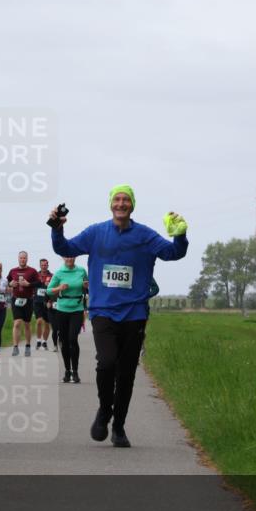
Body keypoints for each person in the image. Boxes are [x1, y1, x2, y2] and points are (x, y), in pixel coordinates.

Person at [50, 185, 188, 448]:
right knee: (106, 363)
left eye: (126, 200)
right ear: (110, 204)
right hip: (103, 310)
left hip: (134, 313)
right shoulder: (96, 233)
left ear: (132, 205)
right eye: (117, 199)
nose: (121, 203)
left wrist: (180, 235)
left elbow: (174, 253)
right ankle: (104, 410)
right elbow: (64, 247)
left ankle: (120, 426)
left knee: (126, 374)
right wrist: (56, 228)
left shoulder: (145, 235)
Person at [48, 257, 89, 383]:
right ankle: (67, 371)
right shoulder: (59, 272)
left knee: (72, 339)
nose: (69, 258)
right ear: (63, 258)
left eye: (72, 256)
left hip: (77, 309)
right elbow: (49, 291)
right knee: (64, 341)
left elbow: (87, 289)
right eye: (67, 256)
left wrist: (85, 286)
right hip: (62, 309)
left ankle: (75, 372)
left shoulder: (81, 271)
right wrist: (59, 288)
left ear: (75, 257)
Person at [6, 252, 41, 357]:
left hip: (28, 300)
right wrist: (10, 284)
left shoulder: (32, 271)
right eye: (21, 258)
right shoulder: (13, 271)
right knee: (16, 323)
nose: (22, 260)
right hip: (16, 300)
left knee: (27, 324)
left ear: (27, 259)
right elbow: (8, 281)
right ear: (18, 259)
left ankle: (27, 346)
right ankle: (15, 347)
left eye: (24, 258)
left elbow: (39, 283)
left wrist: (29, 284)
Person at [33, 258, 54, 350]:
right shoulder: (36, 275)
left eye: (45, 265)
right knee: (39, 321)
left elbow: (54, 288)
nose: (44, 266)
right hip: (37, 301)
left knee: (47, 323)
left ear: (48, 265)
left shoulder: (52, 276)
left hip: (47, 302)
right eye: (42, 265)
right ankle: (38, 340)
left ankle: (44, 342)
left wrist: (51, 300)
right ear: (40, 265)